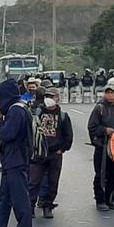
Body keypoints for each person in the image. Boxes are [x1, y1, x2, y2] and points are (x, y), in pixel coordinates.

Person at [0, 79, 34, 227]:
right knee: (4, 199)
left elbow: (7, 135)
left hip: (17, 160)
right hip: (12, 159)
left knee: (20, 199)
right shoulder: (20, 108)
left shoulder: (16, 112)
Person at [28, 86, 73, 219]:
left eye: (52, 96)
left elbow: (68, 136)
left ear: (58, 98)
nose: (49, 99)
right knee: (34, 181)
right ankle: (30, 206)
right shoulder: (37, 113)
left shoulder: (63, 116)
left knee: (53, 182)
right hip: (39, 153)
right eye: (47, 96)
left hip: (55, 154)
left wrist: (62, 149)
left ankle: (48, 205)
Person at [87, 83, 114, 211]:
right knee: (101, 174)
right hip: (102, 146)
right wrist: (104, 130)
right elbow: (92, 127)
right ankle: (100, 200)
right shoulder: (100, 108)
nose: (109, 95)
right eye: (107, 92)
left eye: (112, 92)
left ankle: (110, 199)